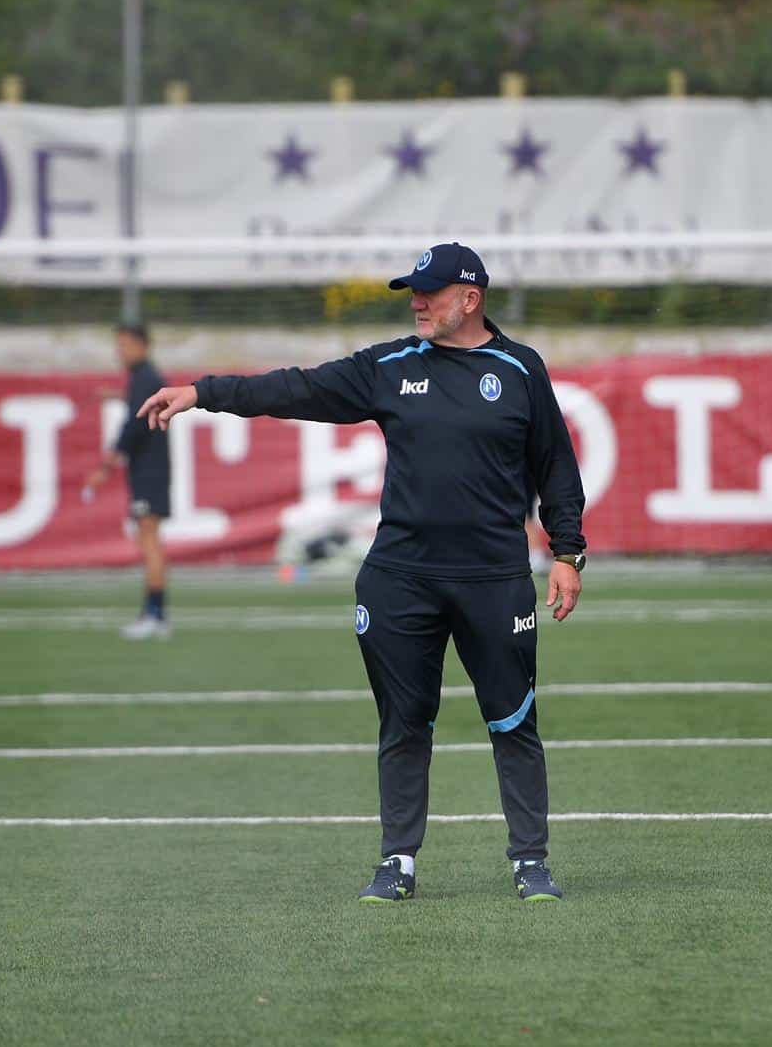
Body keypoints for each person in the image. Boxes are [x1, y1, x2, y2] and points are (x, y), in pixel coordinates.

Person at [137, 243, 587, 902]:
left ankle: (530, 861)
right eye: (413, 290)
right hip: (399, 578)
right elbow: (297, 386)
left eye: (430, 291)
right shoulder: (391, 366)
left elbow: (556, 467)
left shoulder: (519, 369)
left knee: (513, 718)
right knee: (405, 722)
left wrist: (569, 554)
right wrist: (204, 393)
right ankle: (398, 861)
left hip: (494, 578)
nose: (417, 301)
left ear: (471, 299)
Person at [83, 324, 172, 640]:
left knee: (150, 541)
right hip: (149, 471)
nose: (119, 353)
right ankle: (153, 613)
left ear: (141, 345)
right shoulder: (145, 378)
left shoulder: (146, 377)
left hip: (149, 471)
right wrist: (118, 395)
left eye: (124, 345)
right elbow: (139, 404)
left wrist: (105, 465)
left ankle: (156, 614)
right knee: (148, 540)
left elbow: (133, 426)